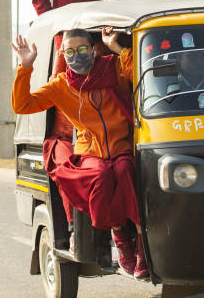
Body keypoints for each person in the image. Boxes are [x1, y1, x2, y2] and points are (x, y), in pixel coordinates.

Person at [11, 27, 149, 280]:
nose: (77, 56)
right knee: (100, 176)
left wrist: (115, 45)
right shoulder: (61, 85)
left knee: (124, 172)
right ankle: (120, 238)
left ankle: (141, 248)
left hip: (122, 147)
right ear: (63, 54)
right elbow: (23, 104)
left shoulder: (113, 67)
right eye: (70, 51)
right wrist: (25, 67)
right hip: (90, 152)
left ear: (94, 50)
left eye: (83, 49)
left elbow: (139, 70)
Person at [31, 0, 111, 230]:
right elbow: (39, 0)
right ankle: (65, 136)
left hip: (93, 39)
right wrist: (55, 24)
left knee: (100, 86)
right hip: (65, 41)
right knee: (64, 89)